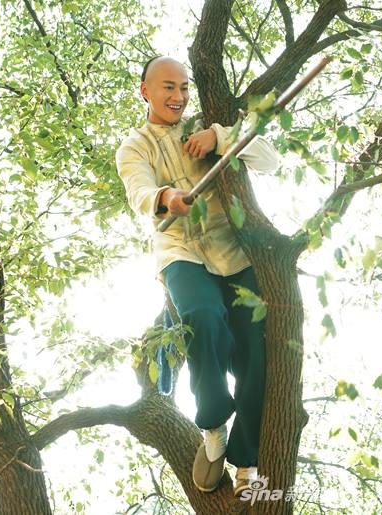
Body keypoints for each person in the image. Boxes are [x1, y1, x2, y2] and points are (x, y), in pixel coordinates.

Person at [115, 56, 278, 496]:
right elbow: (139, 191)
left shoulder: (208, 130)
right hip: (180, 252)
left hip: (236, 256)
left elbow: (271, 160)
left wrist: (221, 137)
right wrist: (167, 196)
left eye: (184, 88)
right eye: (168, 87)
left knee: (256, 357)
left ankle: (247, 458)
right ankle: (212, 425)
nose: (179, 96)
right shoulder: (134, 146)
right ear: (145, 90)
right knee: (202, 318)